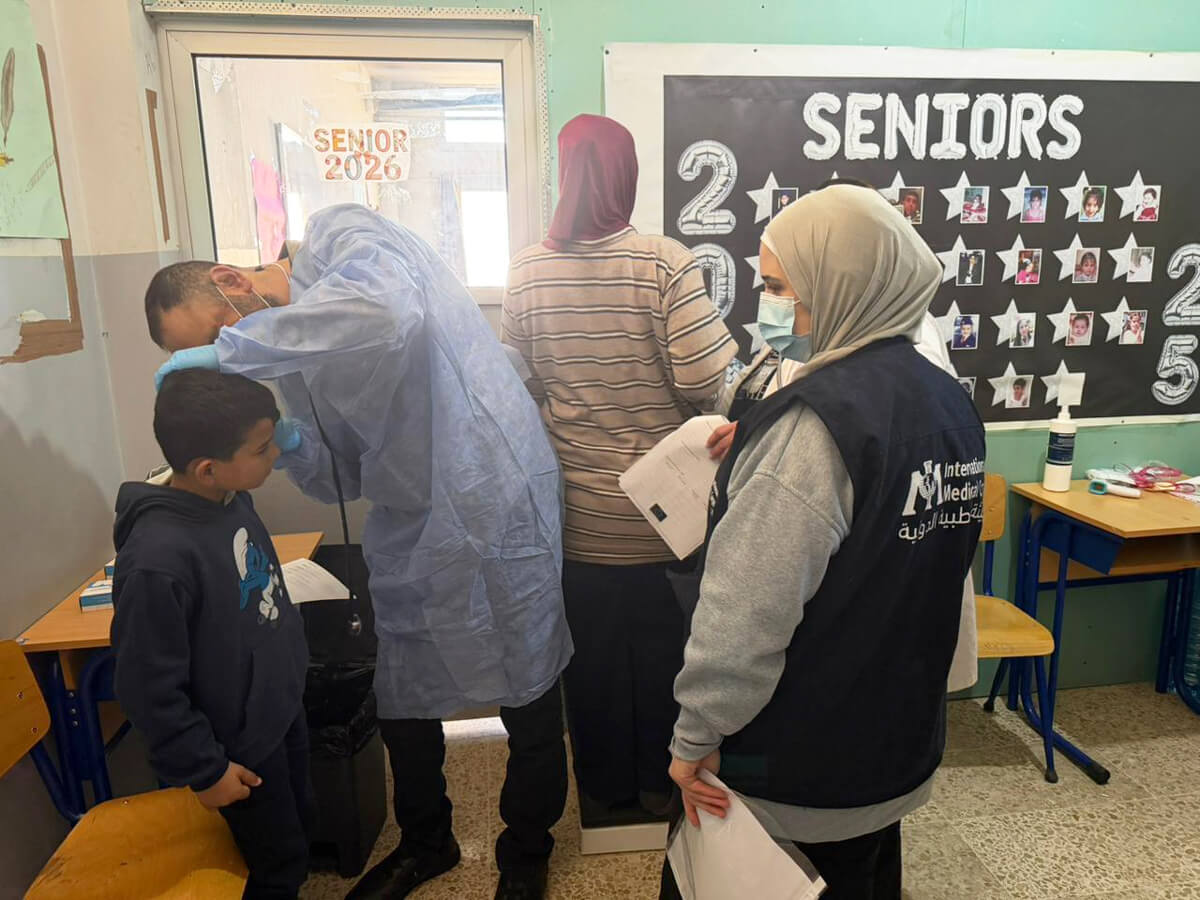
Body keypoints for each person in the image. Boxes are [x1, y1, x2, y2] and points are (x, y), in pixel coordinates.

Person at [143, 205, 573, 900]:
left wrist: (234, 348)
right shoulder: (291, 362)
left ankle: (525, 853)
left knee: (528, 684)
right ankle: (426, 841)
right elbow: (337, 470)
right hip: (410, 516)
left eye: (221, 333)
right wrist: (287, 442)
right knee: (404, 691)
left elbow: (387, 312)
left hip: (489, 491)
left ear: (230, 282)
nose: (234, 352)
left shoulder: (343, 235)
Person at [661, 184, 985, 899]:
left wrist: (694, 739)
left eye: (779, 287)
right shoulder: (945, 401)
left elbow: (744, 620)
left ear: (841, 286)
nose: (767, 306)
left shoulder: (815, 428)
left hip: (796, 765)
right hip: (891, 745)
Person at [502, 114, 737, 823]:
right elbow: (707, 379)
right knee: (671, 661)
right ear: (626, 175)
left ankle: (605, 792)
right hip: (668, 521)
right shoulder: (664, 261)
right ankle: (667, 787)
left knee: (595, 669)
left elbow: (520, 384)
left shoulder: (525, 269)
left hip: (578, 524)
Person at [111, 370, 312, 899]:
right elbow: (148, 688)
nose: (276, 454)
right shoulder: (157, 562)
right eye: (263, 447)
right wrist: (206, 770)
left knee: (298, 840)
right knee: (273, 871)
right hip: (238, 752)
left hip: (278, 712)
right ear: (207, 469)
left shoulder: (230, 499)